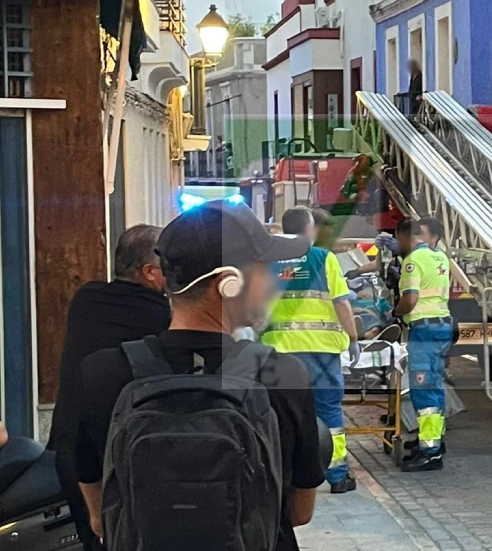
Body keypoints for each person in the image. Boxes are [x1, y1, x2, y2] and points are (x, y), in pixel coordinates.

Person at [70, 200, 324, 551]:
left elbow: (100, 517)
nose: (272, 284)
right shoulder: (283, 375)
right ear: (227, 283)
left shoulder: (101, 373)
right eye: (265, 269)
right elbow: (298, 512)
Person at [49, 224, 171, 551]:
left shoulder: (85, 298)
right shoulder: (160, 316)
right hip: (120, 458)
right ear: (149, 272)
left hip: (70, 451)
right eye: (169, 267)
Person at [263, 206, 360, 494]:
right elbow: (341, 302)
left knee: (282, 413)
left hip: (279, 354)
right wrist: (353, 337)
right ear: (309, 230)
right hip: (321, 353)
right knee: (328, 411)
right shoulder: (323, 259)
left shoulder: (268, 261)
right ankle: (338, 475)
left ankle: (286, 475)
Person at [394, 217, 453, 471]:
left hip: (423, 329)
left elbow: (411, 298)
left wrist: (396, 313)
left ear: (406, 236)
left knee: (423, 390)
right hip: (442, 327)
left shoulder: (413, 261)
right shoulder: (440, 257)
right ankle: (434, 442)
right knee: (435, 386)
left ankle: (430, 452)